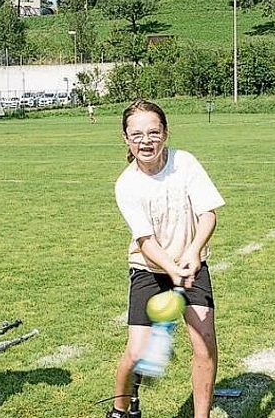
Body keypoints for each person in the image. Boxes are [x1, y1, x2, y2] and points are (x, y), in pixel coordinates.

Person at [107, 100, 224, 418]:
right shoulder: (126, 184)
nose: (146, 140)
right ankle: (120, 411)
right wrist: (173, 269)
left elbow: (208, 215)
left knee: (204, 345)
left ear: (165, 133)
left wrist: (192, 252)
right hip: (150, 270)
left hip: (191, 265)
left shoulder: (184, 163)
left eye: (153, 132)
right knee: (136, 352)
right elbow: (145, 241)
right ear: (126, 139)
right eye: (137, 134)